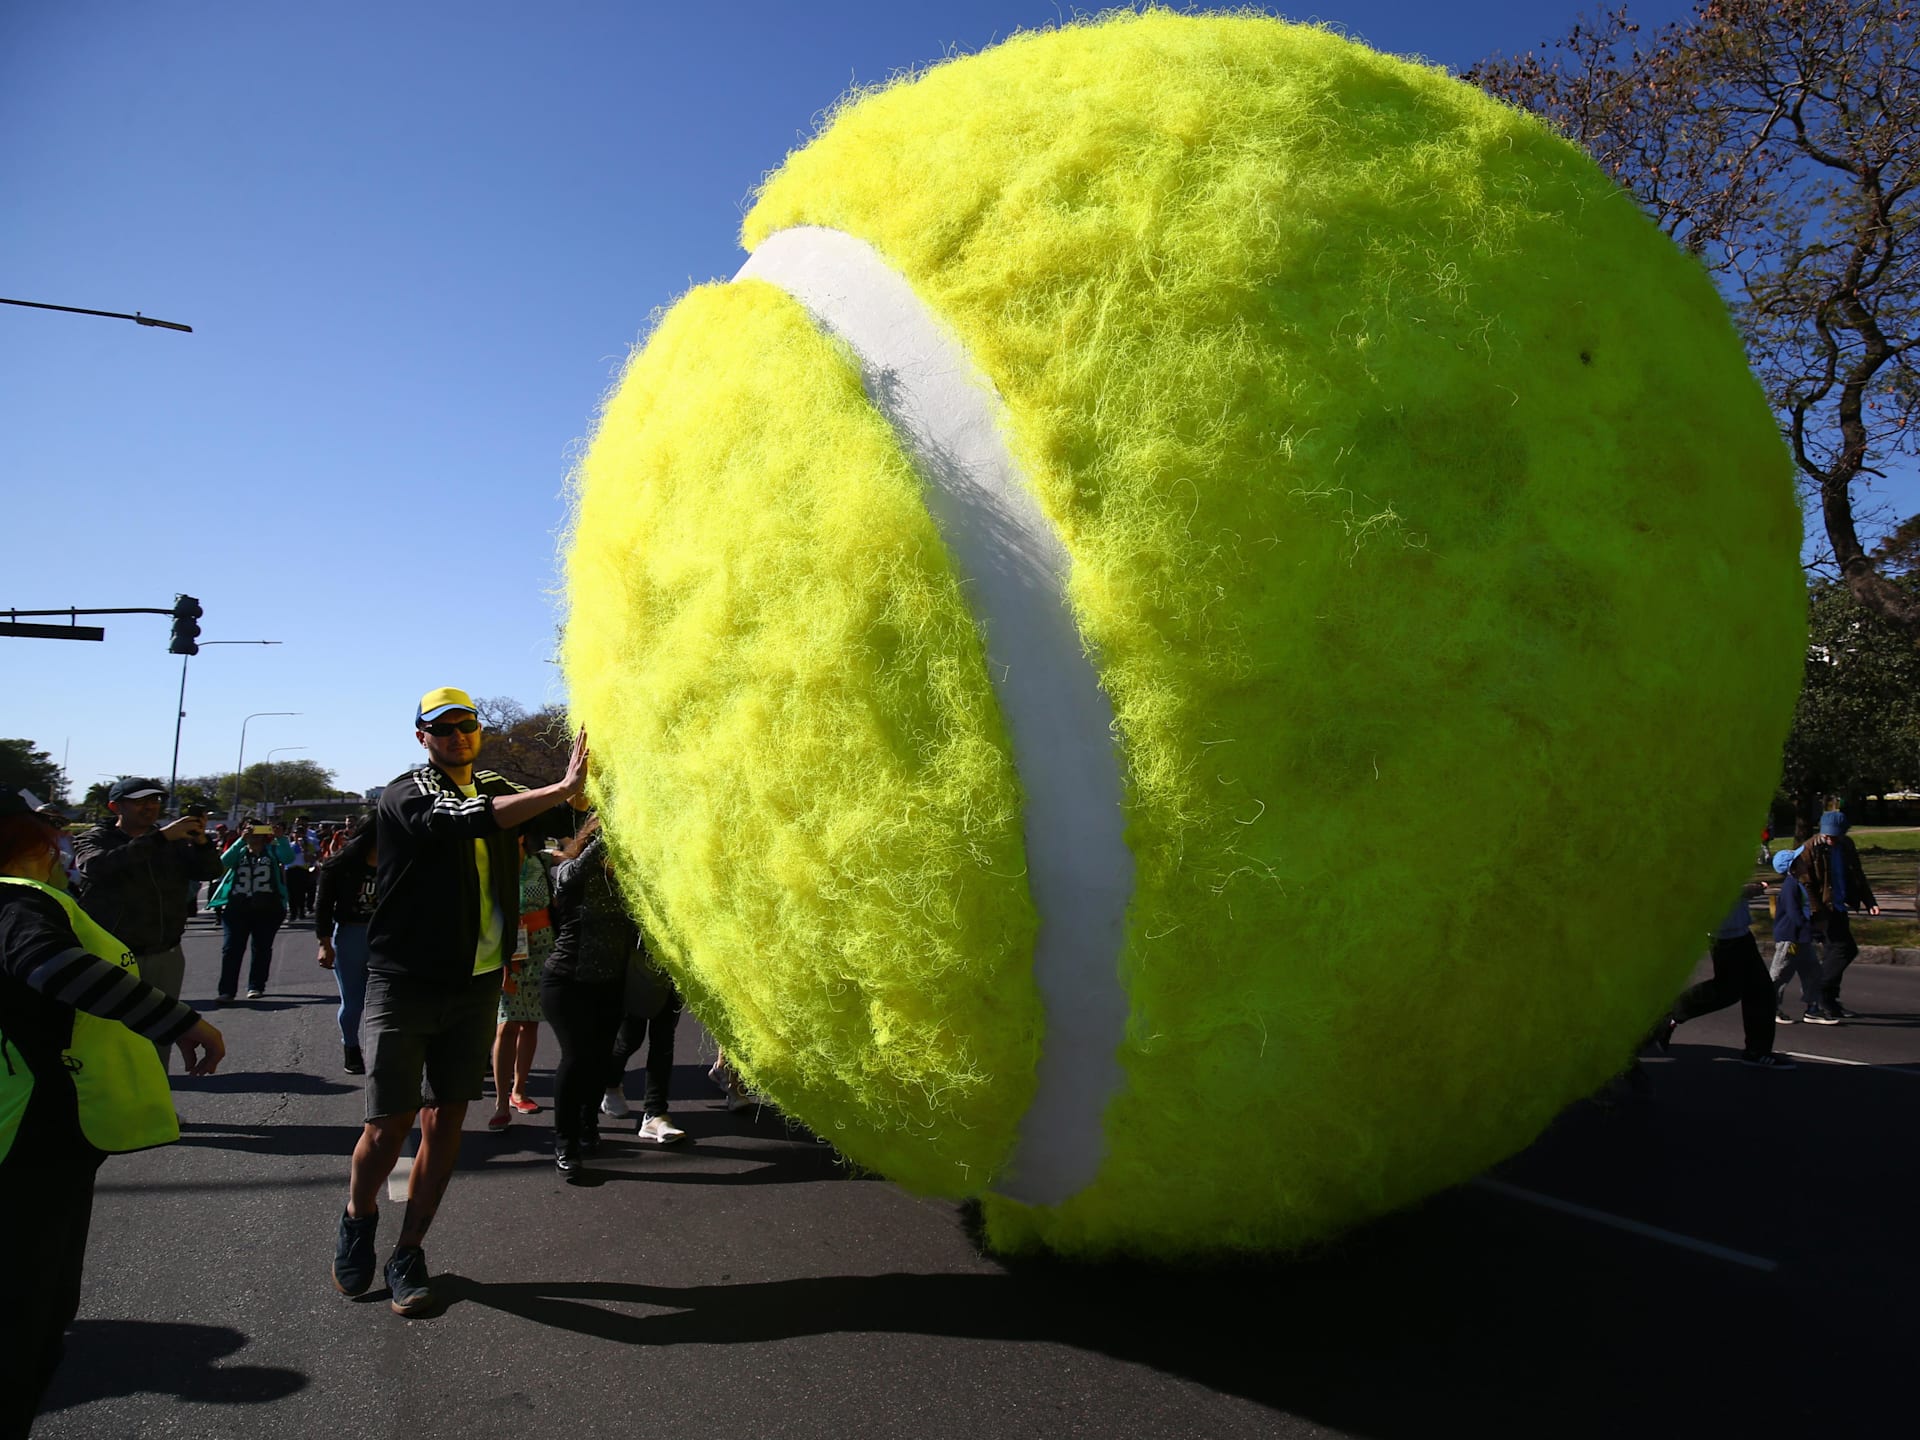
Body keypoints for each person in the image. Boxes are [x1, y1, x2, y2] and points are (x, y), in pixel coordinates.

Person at [332, 687, 587, 1317]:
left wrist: (592, 783)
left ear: (479, 730)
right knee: (387, 1124)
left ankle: (408, 1252)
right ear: (422, 737)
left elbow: (564, 819)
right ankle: (358, 1216)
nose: (456, 737)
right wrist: (559, 789)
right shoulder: (408, 790)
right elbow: (460, 819)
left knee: (445, 1121)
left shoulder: (495, 781)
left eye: (466, 726)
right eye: (442, 729)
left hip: (476, 983)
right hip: (405, 981)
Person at [0, 792, 225, 1438]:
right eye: (48, 835)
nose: (58, 848)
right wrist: (180, 1021)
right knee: (26, 1316)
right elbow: (55, 967)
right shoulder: (18, 902)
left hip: (40, 1131)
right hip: (30, 1136)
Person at [72, 777, 224, 1064]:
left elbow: (210, 871)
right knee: (110, 1036)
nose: (150, 807)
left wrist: (201, 841)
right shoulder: (94, 838)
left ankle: (154, 1102)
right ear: (116, 806)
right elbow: (97, 867)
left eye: (155, 800)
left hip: (165, 951)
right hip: (114, 954)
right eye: (140, 801)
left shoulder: (171, 840)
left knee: (159, 1035)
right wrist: (160, 838)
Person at [541, 818, 636, 1175]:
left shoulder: (623, 879)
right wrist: (615, 823)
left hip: (610, 982)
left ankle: (588, 1126)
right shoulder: (565, 869)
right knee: (576, 1058)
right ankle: (565, 1143)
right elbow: (575, 870)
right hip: (566, 982)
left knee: (600, 1060)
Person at [1653, 880, 1796, 1069]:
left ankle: (1757, 1051)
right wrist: (1744, 891)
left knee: (1760, 992)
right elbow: (1702, 891)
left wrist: (1746, 887)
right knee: (1727, 991)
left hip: (1740, 932)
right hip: (1723, 935)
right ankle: (1669, 1015)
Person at [488, 838, 553, 1131]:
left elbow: (571, 855)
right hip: (507, 950)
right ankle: (501, 1101)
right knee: (507, 1024)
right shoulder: (490, 867)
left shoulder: (541, 861)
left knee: (531, 1023)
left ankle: (520, 1090)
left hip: (542, 949)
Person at [1792, 810, 1880, 1019]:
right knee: (1843, 950)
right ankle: (1820, 994)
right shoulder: (1809, 849)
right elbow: (1805, 884)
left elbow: (1857, 874)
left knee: (1836, 952)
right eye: (1828, 836)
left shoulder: (1846, 845)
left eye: (1835, 836)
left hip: (1839, 906)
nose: (1831, 840)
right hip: (1821, 910)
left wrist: (1869, 901)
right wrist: (1815, 913)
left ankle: (1828, 1000)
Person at [314, 815, 378, 1074]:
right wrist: (324, 943)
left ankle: (380, 1051)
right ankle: (351, 1047)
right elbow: (323, 907)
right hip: (350, 935)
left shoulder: (398, 861)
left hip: (384, 937)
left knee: (384, 1001)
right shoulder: (340, 865)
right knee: (353, 1002)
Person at [603, 952, 688, 1145]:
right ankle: (610, 1083)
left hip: (673, 966)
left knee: (663, 1040)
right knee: (630, 1039)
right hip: (636, 965)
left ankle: (655, 1114)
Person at [210, 823, 291, 1001]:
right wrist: (241, 841)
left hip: (268, 907)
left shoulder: (272, 851)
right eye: (250, 831)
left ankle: (256, 986)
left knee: (261, 948)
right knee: (231, 949)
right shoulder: (239, 851)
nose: (254, 835)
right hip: (237, 907)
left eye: (258, 831)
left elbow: (288, 858)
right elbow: (223, 863)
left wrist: (281, 837)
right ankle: (227, 991)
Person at [1768, 845, 1836, 1024]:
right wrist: (1809, 929)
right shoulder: (1790, 886)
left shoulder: (1797, 883)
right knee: (1779, 974)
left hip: (1801, 937)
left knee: (1813, 972)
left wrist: (1811, 931)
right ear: (1792, 867)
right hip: (1790, 938)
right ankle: (1769, 1008)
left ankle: (1812, 1009)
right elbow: (1793, 913)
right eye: (1799, 860)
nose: (1804, 861)